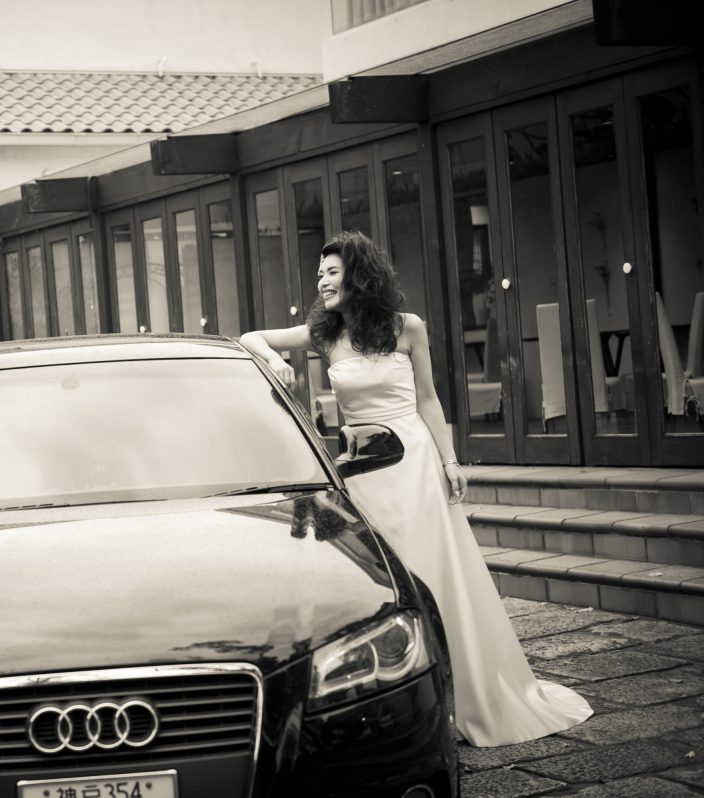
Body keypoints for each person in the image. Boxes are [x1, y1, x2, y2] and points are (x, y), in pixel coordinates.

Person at [240, 231, 592, 747]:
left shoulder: (407, 327)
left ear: (359, 275)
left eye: (332, 272)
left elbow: (428, 399)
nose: (322, 282)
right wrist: (273, 361)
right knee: (381, 576)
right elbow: (251, 336)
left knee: (432, 569)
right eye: (319, 274)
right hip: (364, 471)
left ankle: (462, 693)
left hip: (415, 463)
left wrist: (450, 461)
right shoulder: (325, 334)